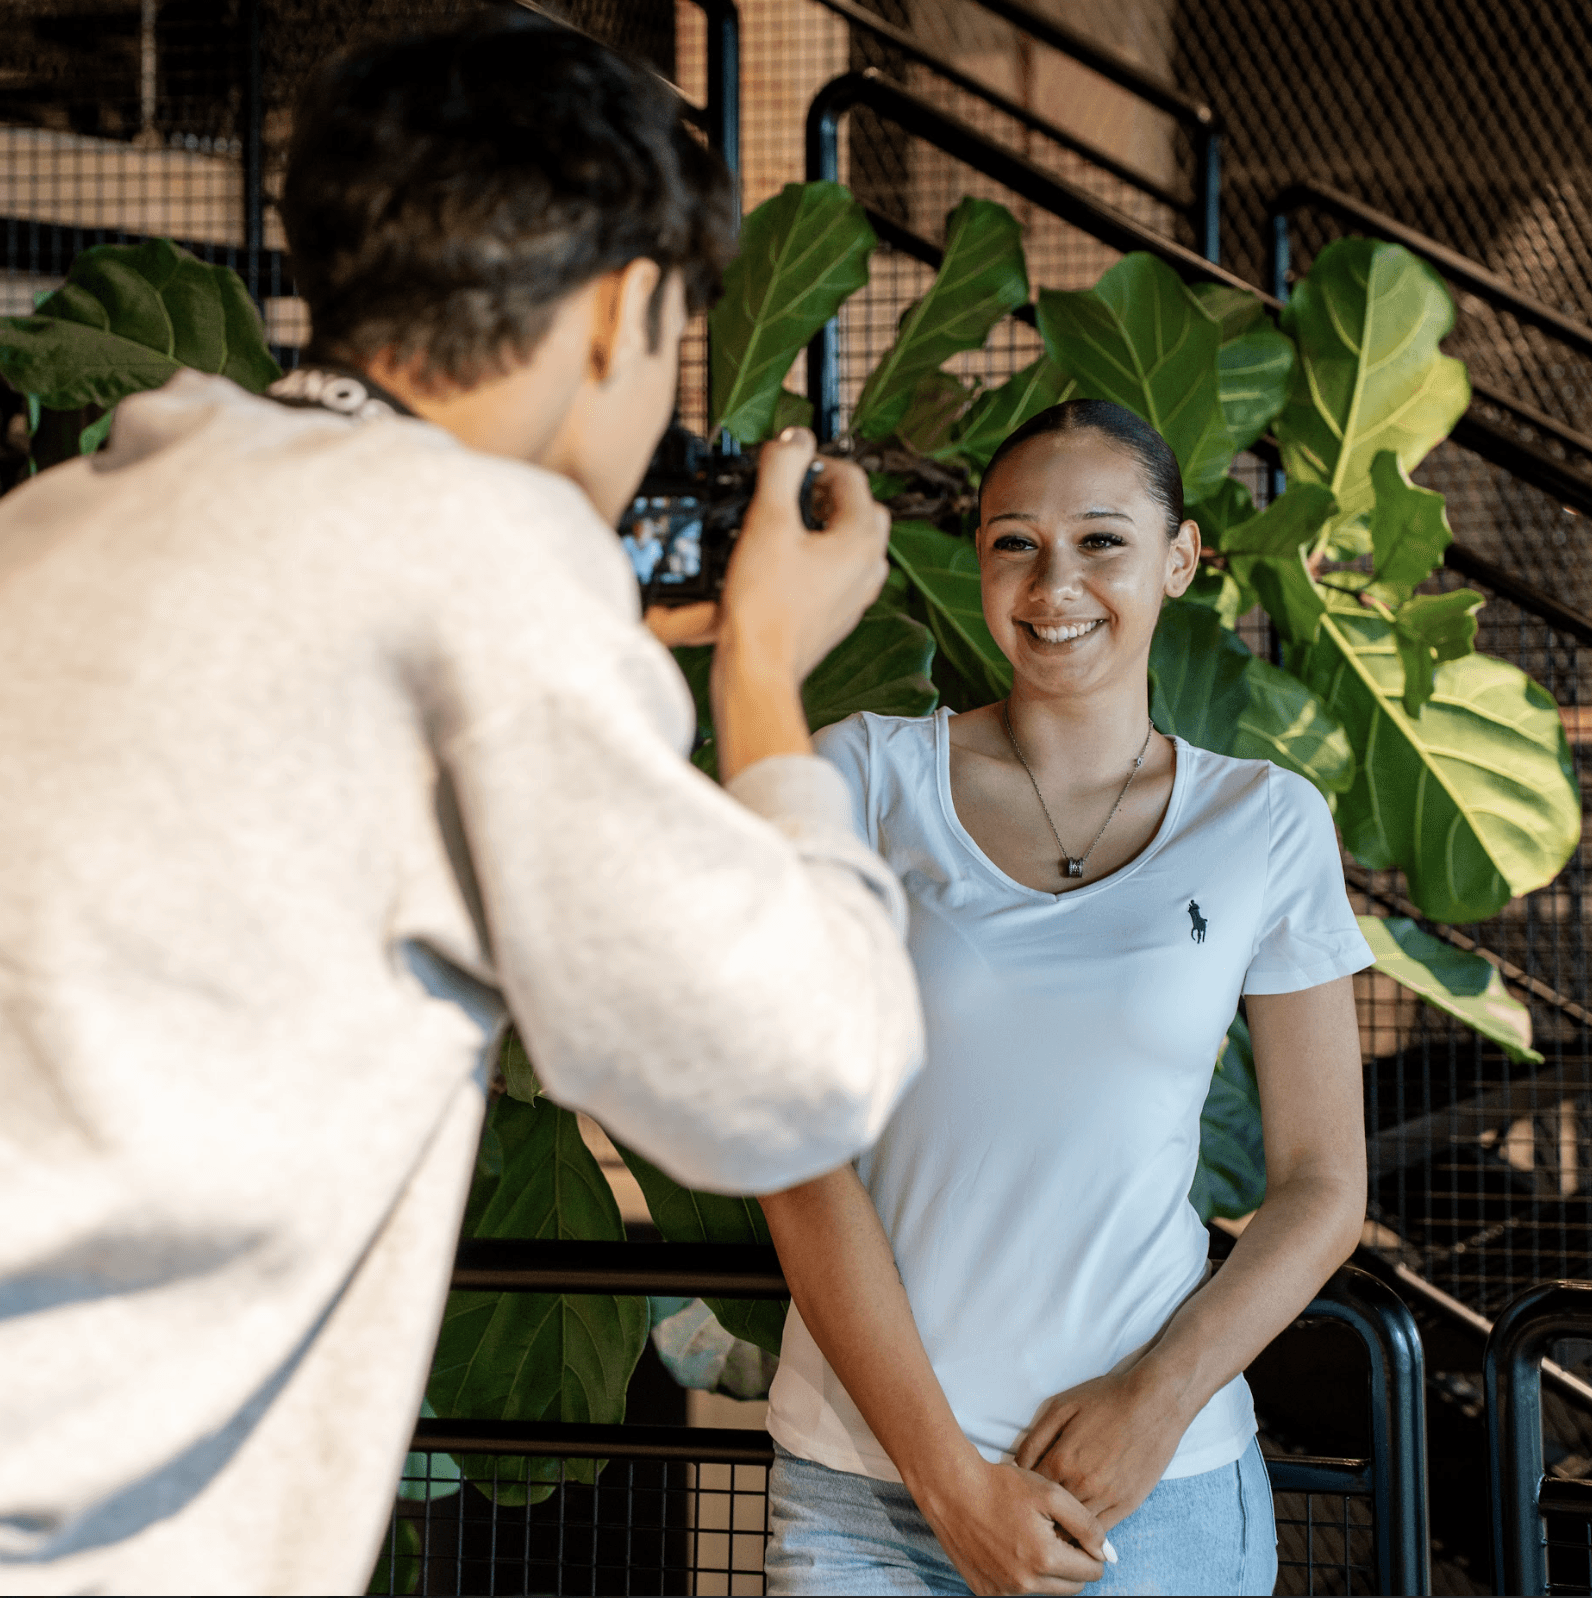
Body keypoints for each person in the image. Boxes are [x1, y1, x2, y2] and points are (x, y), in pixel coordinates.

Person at [0, 16, 924, 1595]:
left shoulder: (64, 520)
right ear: (624, 305)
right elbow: (796, 1070)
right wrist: (764, 671)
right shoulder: (479, 566)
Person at [759, 400, 1373, 1597]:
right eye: (1013, 542)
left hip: (1153, 1495)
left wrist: (1157, 1401)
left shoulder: (1265, 822)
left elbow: (1320, 1185)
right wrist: (945, 1479)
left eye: (1100, 540)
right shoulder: (864, 775)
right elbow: (795, 1150)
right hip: (864, 1490)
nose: (1054, 584)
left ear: (1179, 560)